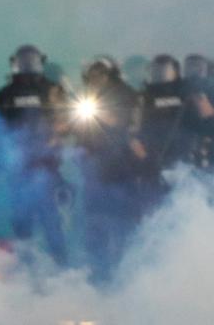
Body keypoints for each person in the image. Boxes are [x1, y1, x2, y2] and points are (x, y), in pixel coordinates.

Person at [0, 44, 68, 265]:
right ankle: (25, 270)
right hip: (20, 166)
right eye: (23, 60)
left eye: (31, 60)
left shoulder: (52, 90)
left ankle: (60, 266)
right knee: (22, 221)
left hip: (46, 164)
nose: (27, 65)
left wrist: (55, 136)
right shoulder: (6, 93)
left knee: (51, 220)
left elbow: (67, 119)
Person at [74, 56, 144, 280]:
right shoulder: (88, 95)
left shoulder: (125, 94)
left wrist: (96, 112)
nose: (96, 78)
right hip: (94, 169)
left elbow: (120, 122)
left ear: (110, 74)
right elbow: (79, 130)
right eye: (93, 74)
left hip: (121, 167)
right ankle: (99, 271)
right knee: (95, 220)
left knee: (122, 221)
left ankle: (127, 271)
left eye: (101, 74)